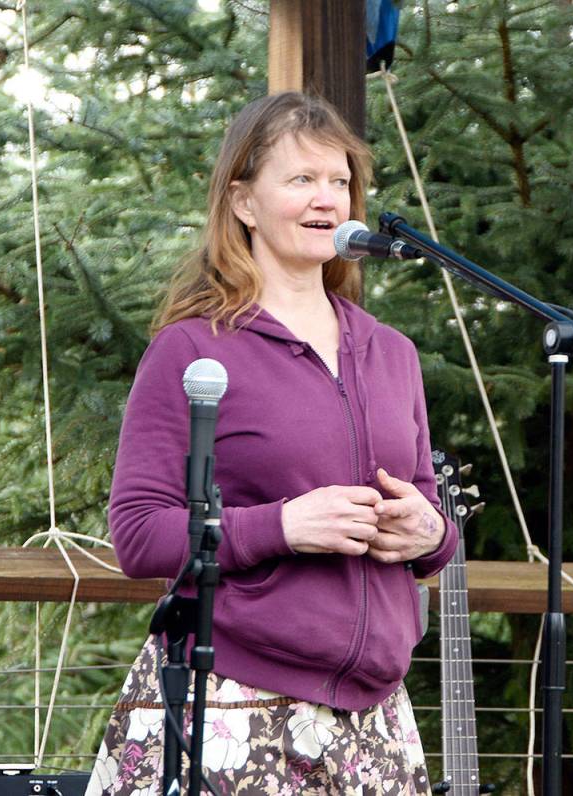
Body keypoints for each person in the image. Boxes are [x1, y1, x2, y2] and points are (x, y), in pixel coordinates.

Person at [87, 91, 458, 796]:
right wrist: (283, 525)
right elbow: (138, 535)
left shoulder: (392, 353)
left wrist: (429, 531)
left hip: (375, 724)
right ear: (244, 202)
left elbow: (432, 520)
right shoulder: (192, 349)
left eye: (340, 181)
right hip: (235, 703)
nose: (328, 198)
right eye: (302, 179)